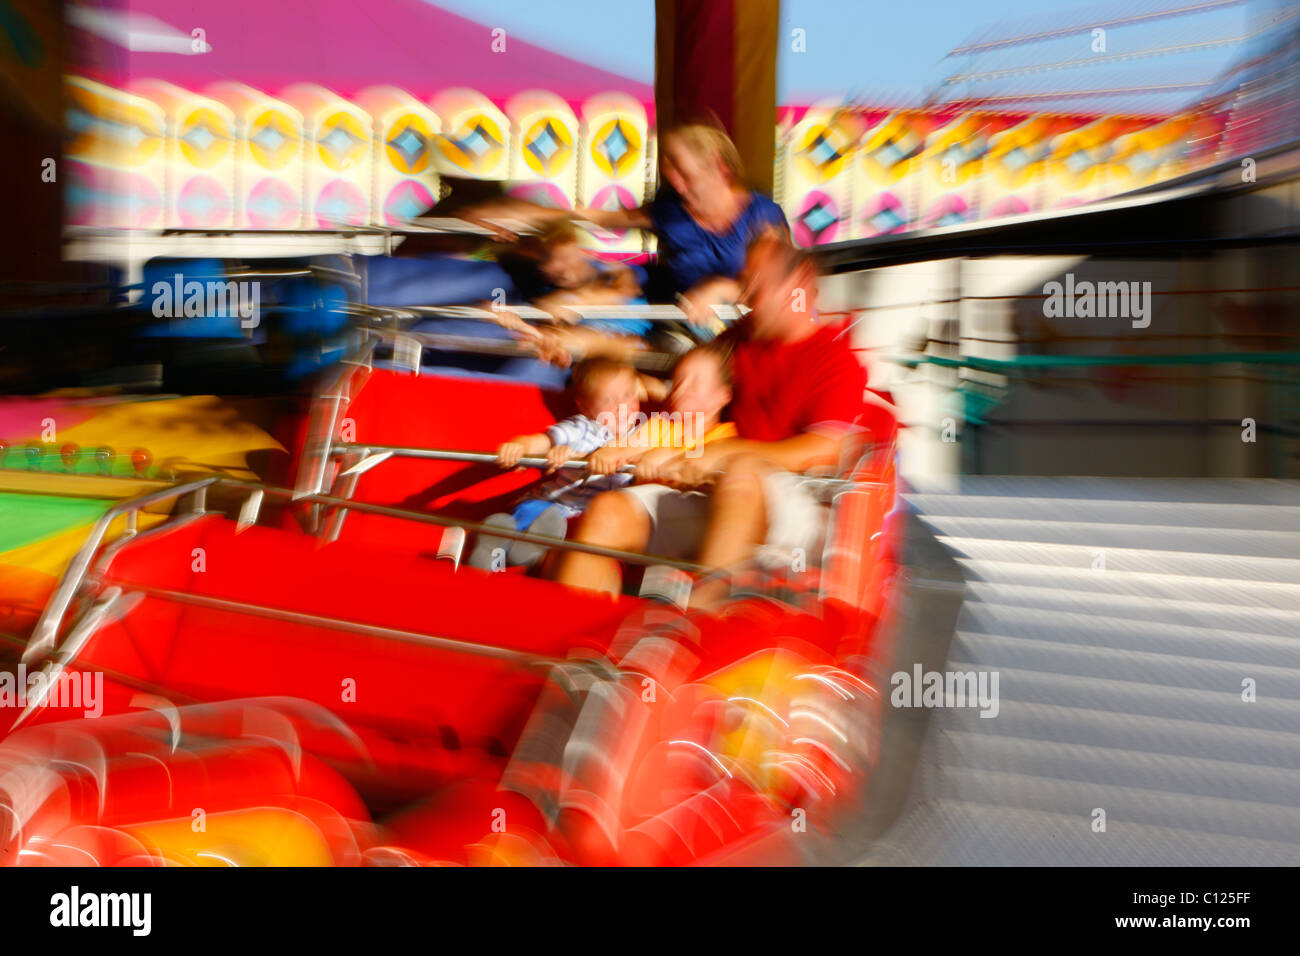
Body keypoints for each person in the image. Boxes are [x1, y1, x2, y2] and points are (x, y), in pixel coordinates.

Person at [550, 235, 868, 604]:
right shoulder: (740, 340)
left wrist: (718, 456)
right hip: (708, 488)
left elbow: (824, 449)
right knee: (608, 511)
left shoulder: (836, 362)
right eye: (744, 283)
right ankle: (571, 639)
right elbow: (677, 376)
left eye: (756, 285)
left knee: (742, 473)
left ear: (797, 284)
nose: (745, 296)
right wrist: (582, 346)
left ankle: (696, 626)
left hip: (787, 504)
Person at [467, 124, 790, 326]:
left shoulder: (762, 217)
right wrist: (525, 215)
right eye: (670, 174)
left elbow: (784, 286)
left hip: (742, 323)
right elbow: (599, 218)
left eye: (686, 174)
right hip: (680, 317)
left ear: (719, 167)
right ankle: (544, 317)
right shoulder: (670, 212)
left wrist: (720, 288)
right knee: (619, 278)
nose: (677, 184)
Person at [468, 357, 642, 570]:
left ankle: (520, 550)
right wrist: (520, 446)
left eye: (627, 395)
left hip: (585, 521)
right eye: (608, 400)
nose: (621, 407)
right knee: (542, 514)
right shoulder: (583, 428)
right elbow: (543, 441)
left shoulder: (642, 438)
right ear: (584, 405)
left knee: (575, 533)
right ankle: (498, 546)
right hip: (553, 503)